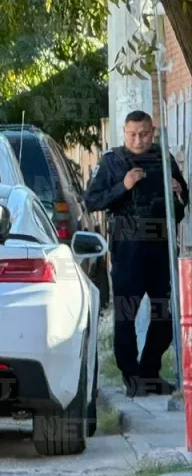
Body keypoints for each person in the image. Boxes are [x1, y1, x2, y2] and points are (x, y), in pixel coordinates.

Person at [85, 109, 189, 397]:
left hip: (160, 247)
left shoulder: (163, 159)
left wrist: (179, 191)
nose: (138, 139)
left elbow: (183, 204)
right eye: (132, 134)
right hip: (127, 248)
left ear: (152, 132)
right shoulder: (113, 161)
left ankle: (149, 372)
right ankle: (131, 377)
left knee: (163, 315)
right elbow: (92, 200)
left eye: (143, 134)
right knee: (125, 315)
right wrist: (124, 185)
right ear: (124, 132)